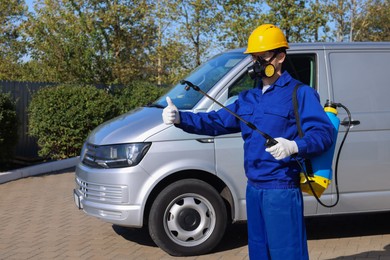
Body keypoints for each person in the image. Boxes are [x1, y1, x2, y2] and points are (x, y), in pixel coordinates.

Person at [162, 24, 334, 259]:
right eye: (254, 58)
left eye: (262, 57)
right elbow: (217, 121)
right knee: (259, 252)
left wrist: (294, 146)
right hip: (253, 189)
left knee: (287, 254)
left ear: (280, 57)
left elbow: (323, 134)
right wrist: (181, 118)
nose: (257, 63)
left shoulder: (300, 93)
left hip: (280, 189)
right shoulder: (248, 97)